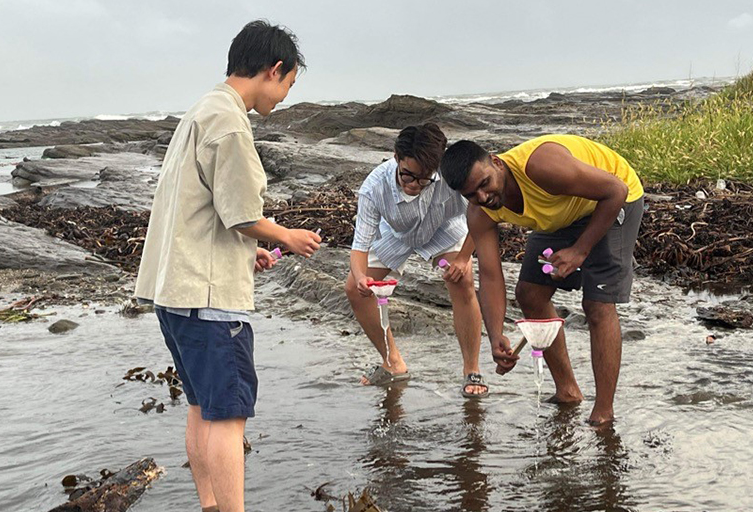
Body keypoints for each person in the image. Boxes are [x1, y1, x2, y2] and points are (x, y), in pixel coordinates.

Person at [134, 21, 321, 512]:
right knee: (229, 416)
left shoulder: (202, 109)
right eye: (289, 84)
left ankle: (210, 506)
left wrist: (247, 248)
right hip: (209, 298)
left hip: (174, 289)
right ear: (274, 69)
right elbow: (241, 212)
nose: (283, 97)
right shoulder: (232, 123)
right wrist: (285, 236)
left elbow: (201, 207)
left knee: (201, 408)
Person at [440, 134, 644, 425]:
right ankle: (568, 391)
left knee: (597, 305)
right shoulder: (480, 212)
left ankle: (603, 412)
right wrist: (496, 336)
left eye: (485, 184)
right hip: (562, 212)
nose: (483, 197)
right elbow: (490, 276)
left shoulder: (541, 167)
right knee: (529, 294)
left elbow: (616, 190)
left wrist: (579, 250)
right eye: (471, 194)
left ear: (496, 162)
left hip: (612, 199)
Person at [346, 123, 488, 398]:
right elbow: (360, 245)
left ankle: (472, 369)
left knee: (464, 280)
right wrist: (362, 277)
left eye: (424, 179)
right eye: (407, 176)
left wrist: (462, 257)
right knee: (353, 288)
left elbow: (481, 214)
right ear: (396, 158)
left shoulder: (449, 176)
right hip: (396, 234)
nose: (413, 185)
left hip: (442, 228)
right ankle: (393, 363)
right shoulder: (374, 188)